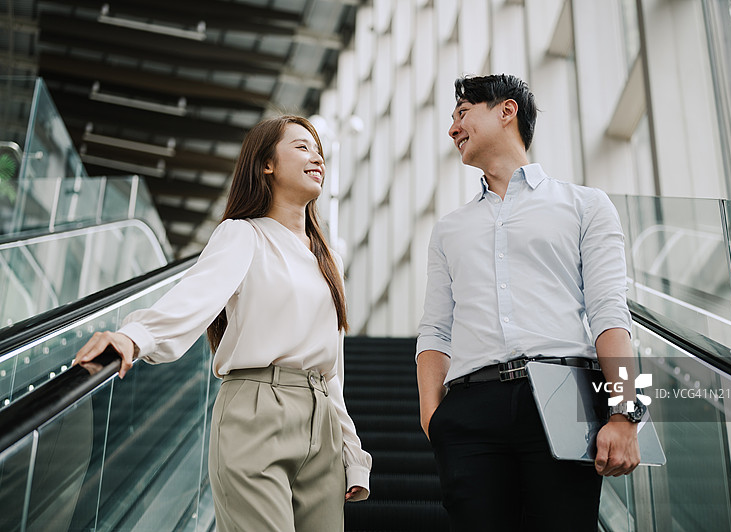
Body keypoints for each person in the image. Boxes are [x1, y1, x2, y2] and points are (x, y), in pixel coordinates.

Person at [74, 115, 371, 532]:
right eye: (302, 146)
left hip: (320, 420)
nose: (316, 155)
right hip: (255, 411)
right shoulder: (243, 235)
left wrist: (351, 453)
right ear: (266, 164)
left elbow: (332, 371)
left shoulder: (330, 260)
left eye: (318, 148)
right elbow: (192, 299)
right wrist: (133, 336)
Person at [416, 74, 641, 531]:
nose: (452, 129)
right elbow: (436, 330)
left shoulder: (586, 205)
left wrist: (626, 411)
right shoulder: (449, 229)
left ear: (506, 111)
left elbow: (610, 313)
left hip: (566, 392)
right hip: (470, 405)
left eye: (462, 113)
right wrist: (433, 418)